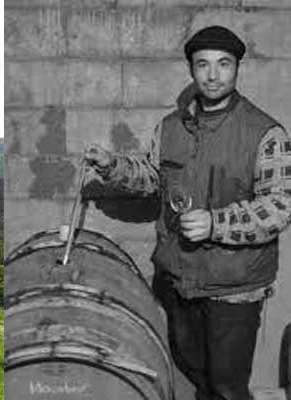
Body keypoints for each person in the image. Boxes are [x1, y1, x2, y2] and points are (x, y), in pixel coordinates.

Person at [85, 25, 291, 400]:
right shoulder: (170, 127)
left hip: (234, 287)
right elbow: (151, 178)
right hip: (179, 279)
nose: (213, 75)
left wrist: (216, 223)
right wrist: (111, 165)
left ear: (236, 68)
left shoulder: (265, 133)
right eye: (203, 65)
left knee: (227, 386)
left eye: (223, 64)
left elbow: (279, 206)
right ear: (192, 70)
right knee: (192, 373)